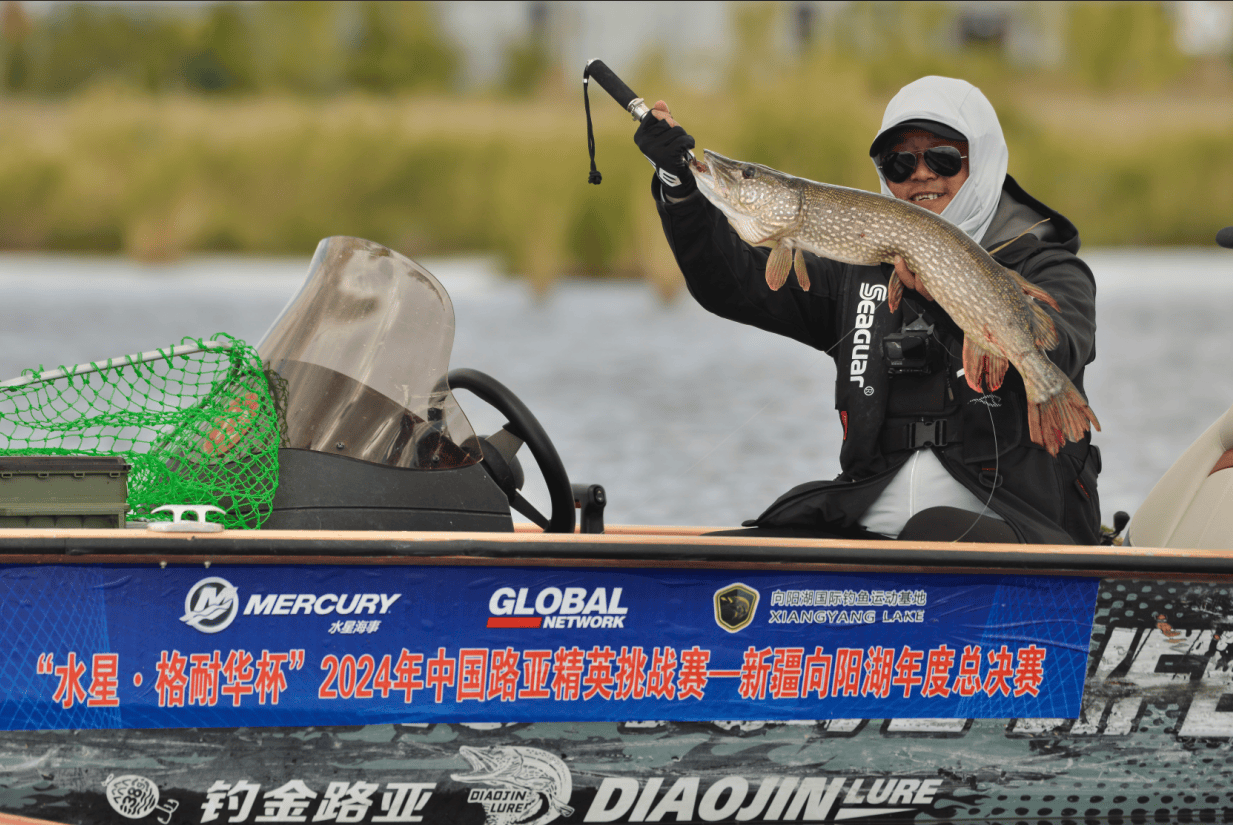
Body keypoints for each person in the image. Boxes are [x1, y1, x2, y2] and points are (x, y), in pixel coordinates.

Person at [634, 76, 1100, 545]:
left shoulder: (1048, 267)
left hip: (1010, 516)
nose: (920, 174)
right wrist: (679, 188)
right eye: (899, 163)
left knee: (930, 531)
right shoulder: (855, 265)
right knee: (729, 551)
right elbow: (729, 285)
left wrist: (941, 299)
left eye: (942, 157)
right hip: (874, 512)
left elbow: (1060, 347)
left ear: (981, 161)